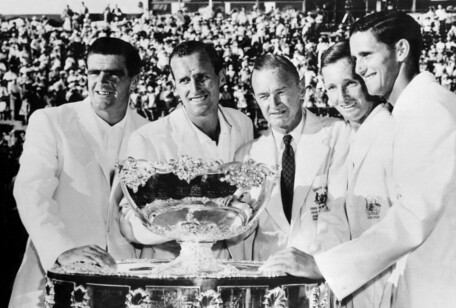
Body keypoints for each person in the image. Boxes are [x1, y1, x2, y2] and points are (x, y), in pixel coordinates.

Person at [260, 11, 456, 308]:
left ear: (401, 50)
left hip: (437, 292)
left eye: (366, 55)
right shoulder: (416, 109)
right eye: (356, 58)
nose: (360, 67)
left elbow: (411, 218)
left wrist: (324, 266)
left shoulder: (428, 109)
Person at [9, 37, 149, 308]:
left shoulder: (148, 132)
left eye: (113, 74)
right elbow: (30, 192)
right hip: (54, 279)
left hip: (125, 283)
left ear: (134, 80)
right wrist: (61, 250)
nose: (101, 82)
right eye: (94, 72)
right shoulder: (51, 121)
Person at [115, 41, 254, 260]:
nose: (195, 88)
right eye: (184, 80)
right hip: (175, 271)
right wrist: (182, 226)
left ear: (222, 76)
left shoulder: (243, 124)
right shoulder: (147, 138)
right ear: (175, 85)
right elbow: (128, 218)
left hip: (234, 266)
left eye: (202, 77)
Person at [234, 54, 350, 261]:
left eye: (281, 92)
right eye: (264, 96)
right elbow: (241, 233)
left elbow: (341, 215)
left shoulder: (338, 134)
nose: (274, 104)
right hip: (269, 276)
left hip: (322, 272)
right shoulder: (246, 155)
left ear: (301, 89)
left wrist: (317, 265)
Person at [317, 41, 394, 308]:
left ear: (366, 81)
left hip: (391, 290)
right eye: (332, 88)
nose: (342, 96)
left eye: (350, 83)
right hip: (351, 291)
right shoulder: (343, 137)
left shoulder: (393, 132)